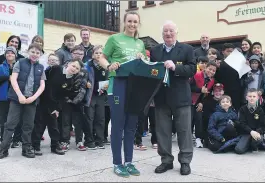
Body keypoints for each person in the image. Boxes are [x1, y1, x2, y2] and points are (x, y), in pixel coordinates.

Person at [95, 11, 146, 177]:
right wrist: (109, 65)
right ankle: (117, 163)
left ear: (138, 24)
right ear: (124, 22)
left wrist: (141, 58)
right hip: (117, 84)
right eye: (129, 21)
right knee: (118, 125)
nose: (132, 24)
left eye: (135, 22)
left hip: (135, 86)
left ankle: (129, 162)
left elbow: (144, 65)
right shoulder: (114, 39)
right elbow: (101, 58)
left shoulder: (140, 43)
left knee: (131, 125)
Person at [149, 20, 196, 176]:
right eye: (165, 31)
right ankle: (166, 161)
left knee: (184, 131)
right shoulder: (154, 51)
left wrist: (175, 67)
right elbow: (151, 72)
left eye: (171, 31)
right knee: (162, 131)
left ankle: (185, 161)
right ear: (162, 34)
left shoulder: (187, 49)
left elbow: (192, 69)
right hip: (161, 97)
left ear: (176, 32)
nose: (168, 34)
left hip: (181, 97)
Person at [0, 43, 46, 159]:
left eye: (38, 53)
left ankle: (26, 149)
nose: (35, 54)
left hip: (31, 101)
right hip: (17, 100)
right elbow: (13, 79)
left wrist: (33, 98)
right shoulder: (20, 62)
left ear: (40, 55)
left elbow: (42, 86)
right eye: (33, 52)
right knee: (10, 124)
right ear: (28, 52)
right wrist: (20, 96)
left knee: (28, 125)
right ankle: (3, 150)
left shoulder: (41, 68)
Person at [32, 60, 86, 156]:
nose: (74, 69)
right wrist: (51, 105)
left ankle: (54, 146)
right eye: (73, 66)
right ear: (68, 64)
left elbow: (62, 96)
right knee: (39, 125)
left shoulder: (71, 80)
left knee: (54, 126)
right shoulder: (56, 69)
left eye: (77, 68)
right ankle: (35, 146)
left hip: (54, 105)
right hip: (43, 100)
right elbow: (48, 87)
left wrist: (57, 108)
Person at [84, 45, 109, 150]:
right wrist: (86, 83)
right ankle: (89, 140)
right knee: (89, 118)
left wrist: (106, 86)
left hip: (101, 95)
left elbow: (108, 78)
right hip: (90, 95)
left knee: (100, 118)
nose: (98, 55)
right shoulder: (87, 65)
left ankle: (100, 140)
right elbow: (81, 78)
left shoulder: (105, 66)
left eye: (100, 53)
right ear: (93, 54)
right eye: (96, 53)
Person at [190, 61, 217, 148]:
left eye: (214, 71)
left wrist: (202, 102)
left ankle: (198, 138)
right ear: (205, 68)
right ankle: (188, 137)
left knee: (199, 119)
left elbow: (207, 94)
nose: (211, 72)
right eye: (210, 69)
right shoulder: (196, 75)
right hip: (189, 101)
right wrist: (199, 90)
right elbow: (188, 87)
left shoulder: (212, 81)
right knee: (189, 119)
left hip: (199, 102)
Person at [0, 47, 17, 143]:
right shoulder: (0, 67)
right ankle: (4, 139)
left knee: (15, 119)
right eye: (7, 53)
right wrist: (7, 77)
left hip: (16, 97)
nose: (9, 54)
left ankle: (16, 139)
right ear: (5, 55)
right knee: (4, 119)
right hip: (4, 97)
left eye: (12, 53)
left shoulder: (18, 66)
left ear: (15, 55)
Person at [236, 89, 265, 154]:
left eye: (254, 96)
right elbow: (242, 124)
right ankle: (248, 144)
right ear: (246, 98)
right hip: (246, 133)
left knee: (258, 139)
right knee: (239, 150)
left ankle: (254, 145)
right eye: (250, 96)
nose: (252, 98)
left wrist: (258, 132)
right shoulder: (242, 109)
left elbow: (263, 125)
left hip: (256, 133)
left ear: (257, 98)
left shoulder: (260, 110)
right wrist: (251, 131)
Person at [214, 43, 242, 110]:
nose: (230, 53)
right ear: (223, 52)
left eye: (232, 51)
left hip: (237, 92)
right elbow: (216, 78)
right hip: (224, 91)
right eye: (228, 51)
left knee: (236, 110)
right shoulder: (219, 63)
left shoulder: (239, 63)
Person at [201, 83, 224, 147]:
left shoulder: (226, 101)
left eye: (219, 91)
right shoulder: (207, 101)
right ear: (213, 92)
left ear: (223, 92)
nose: (218, 93)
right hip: (211, 127)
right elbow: (206, 117)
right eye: (216, 91)